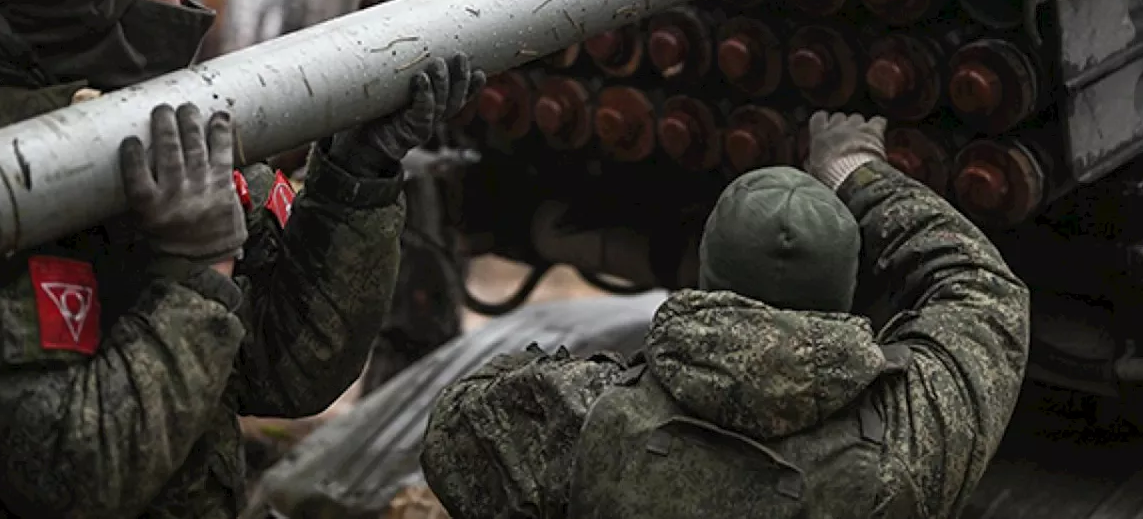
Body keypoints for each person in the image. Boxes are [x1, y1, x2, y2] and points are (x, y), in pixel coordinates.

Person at [0, 0, 485, 518]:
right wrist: (196, 273)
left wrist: (354, 180)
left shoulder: (172, 139)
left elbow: (291, 371)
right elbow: (80, 476)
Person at [421, 112, 1031, 518]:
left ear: (706, 269)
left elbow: (452, 435)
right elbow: (981, 286)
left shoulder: (578, 418)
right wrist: (856, 172)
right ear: (848, 290)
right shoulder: (917, 437)